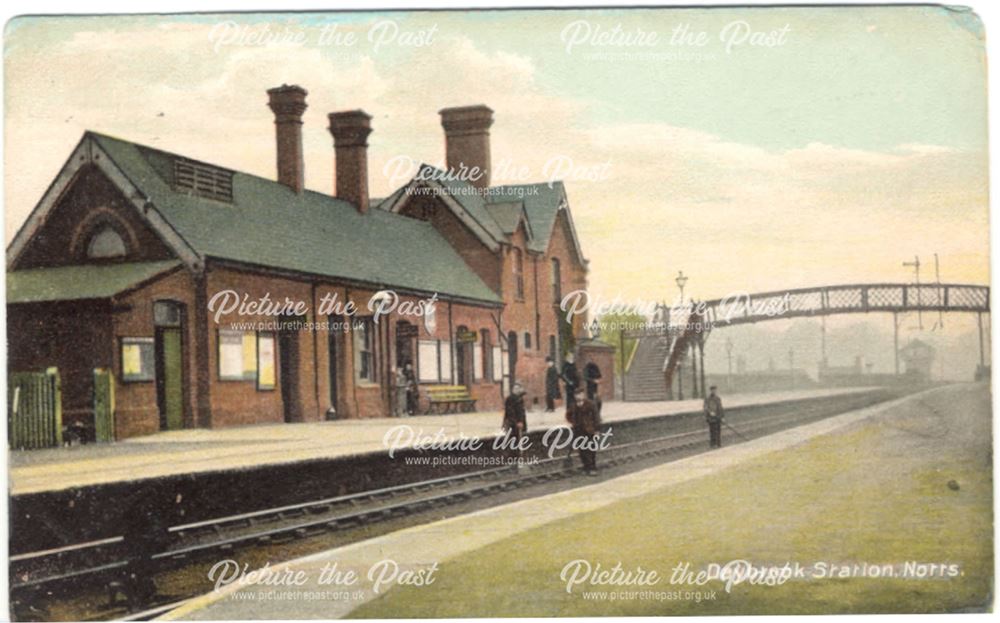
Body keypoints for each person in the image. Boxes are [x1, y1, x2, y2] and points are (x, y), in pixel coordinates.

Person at [567, 388, 601, 475]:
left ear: (583, 395)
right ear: (575, 396)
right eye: (577, 395)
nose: (578, 396)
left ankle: (593, 468)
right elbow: (568, 415)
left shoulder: (591, 404)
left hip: (590, 430)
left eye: (580, 394)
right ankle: (586, 467)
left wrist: (597, 429)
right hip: (579, 430)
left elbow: (596, 417)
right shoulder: (573, 405)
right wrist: (573, 422)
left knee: (591, 450)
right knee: (582, 450)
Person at [503, 382, 528, 458]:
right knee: (513, 438)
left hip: (517, 423)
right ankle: (513, 455)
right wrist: (517, 422)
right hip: (513, 423)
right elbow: (510, 412)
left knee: (517, 439)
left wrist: (522, 422)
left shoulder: (519, 399)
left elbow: (521, 412)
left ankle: (516, 454)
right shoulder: (511, 399)